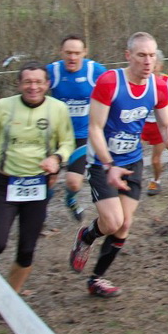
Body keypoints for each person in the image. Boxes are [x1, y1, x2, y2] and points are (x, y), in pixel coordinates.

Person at [69, 32, 168, 297]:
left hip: (132, 162)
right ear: (128, 56)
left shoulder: (158, 86)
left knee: (125, 225)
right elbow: (94, 128)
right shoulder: (110, 82)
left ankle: (97, 279)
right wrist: (108, 164)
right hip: (102, 163)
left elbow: (164, 122)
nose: (147, 61)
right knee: (113, 222)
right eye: (141, 55)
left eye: (152, 55)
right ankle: (87, 236)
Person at [0, 61, 75, 293]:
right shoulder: (3, 107)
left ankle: (11, 296)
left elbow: (68, 141)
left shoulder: (57, 108)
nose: (33, 87)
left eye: (39, 82)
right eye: (28, 82)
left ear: (47, 84)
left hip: (38, 184)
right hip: (7, 183)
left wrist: (57, 159)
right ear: (19, 84)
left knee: (27, 248)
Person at [47, 34, 108, 221]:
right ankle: (39, 211)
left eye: (76, 53)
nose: (72, 58)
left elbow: (112, 92)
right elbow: (34, 93)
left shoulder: (95, 71)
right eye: (68, 53)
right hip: (56, 136)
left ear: (84, 53)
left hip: (82, 135)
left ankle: (71, 199)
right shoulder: (52, 72)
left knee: (74, 183)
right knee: (48, 180)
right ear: (61, 52)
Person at [141, 49, 168, 196]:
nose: (151, 65)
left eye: (155, 63)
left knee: (155, 159)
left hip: (160, 125)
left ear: (161, 66)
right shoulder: (140, 80)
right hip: (142, 123)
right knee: (130, 152)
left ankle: (156, 181)